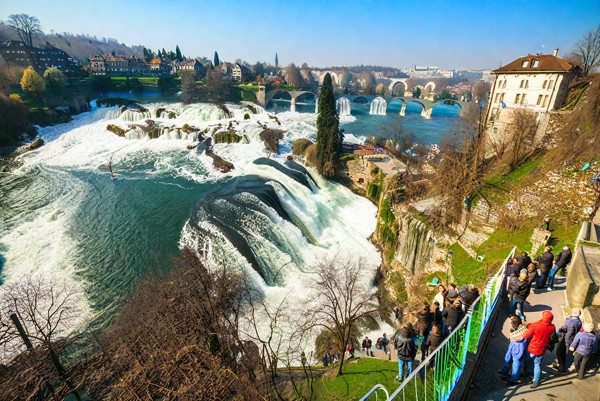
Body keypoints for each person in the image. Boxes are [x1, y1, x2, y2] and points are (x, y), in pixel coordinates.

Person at [514, 310, 556, 389]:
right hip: (542, 349)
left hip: (532, 348)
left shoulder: (536, 326)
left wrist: (518, 337)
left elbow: (526, 335)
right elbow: (541, 324)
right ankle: (535, 381)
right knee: (537, 365)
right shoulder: (552, 327)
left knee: (526, 360)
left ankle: (525, 372)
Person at [499, 316, 527, 385]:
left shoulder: (517, 331)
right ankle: (509, 376)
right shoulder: (522, 329)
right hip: (515, 349)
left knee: (512, 362)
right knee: (512, 362)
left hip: (515, 349)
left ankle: (508, 376)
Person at [554, 308, 582, 373]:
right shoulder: (579, 321)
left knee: (561, 352)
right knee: (565, 352)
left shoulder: (569, 321)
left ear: (572, 313)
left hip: (566, 339)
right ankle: (562, 365)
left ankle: (562, 367)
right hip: (572, 338)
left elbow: (566, 331)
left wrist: (561, 331)